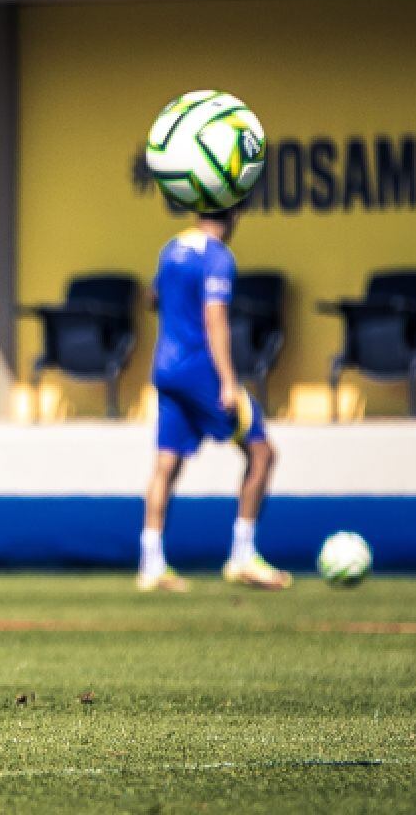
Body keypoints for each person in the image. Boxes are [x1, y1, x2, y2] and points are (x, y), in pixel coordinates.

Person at [137, 206, 293, 593]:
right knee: (262, 453)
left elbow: (151, 297)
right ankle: (242, 555)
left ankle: (151, 563)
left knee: (166, 464)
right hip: (199, 370)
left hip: (166, 368)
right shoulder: (218, 256)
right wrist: (227, 380)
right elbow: (215, 317)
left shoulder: (172, 248)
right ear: (234, 214)